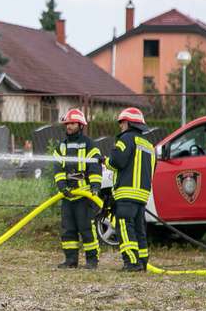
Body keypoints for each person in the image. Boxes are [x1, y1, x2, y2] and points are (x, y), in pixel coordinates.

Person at [105, 106, 156, 272]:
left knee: (125, 227)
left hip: (126, 193)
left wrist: (105, 161)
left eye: (121, 122)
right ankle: (142, 262)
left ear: (128, 123)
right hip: (142, 195)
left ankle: (131, 263)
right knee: (139, 229)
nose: (120, 126)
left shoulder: (125, 139)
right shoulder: (149, 145)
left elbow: (117, 161)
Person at [53, 108, 102, 269]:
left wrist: (95, 187)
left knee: (86, 228)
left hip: (84, 196)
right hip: (68, 195)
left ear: (81, 125)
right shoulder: (61, 146)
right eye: (67, 123)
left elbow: (95, 168)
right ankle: (70, 260)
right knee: (68, 229)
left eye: (73, 123)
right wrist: (62, 186)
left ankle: (92, 260)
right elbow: (58, 169)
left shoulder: (89, 145)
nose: (69, 126)